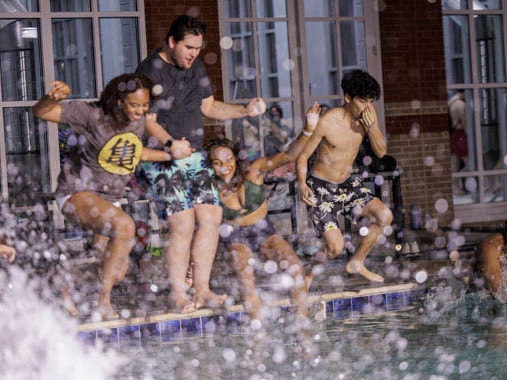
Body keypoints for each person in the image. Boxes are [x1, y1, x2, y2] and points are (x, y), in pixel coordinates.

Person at [135, 15, 266, 312]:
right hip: (161, 159)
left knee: (211, 217)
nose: (193, 54)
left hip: (193, 156)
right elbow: (147, 120)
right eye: (188, 47)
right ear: (172, 42)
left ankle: (203, 289)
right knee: (183, 223)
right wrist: (171, 144)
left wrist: (244, 110)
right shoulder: (150, 71)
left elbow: (209, 107)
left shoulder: (195, 66)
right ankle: (179, 293)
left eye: (197, 48)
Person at [32, 74, 172, 320]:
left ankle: (62, 281)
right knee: (125, 227)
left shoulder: (137, 122)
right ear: (119, 101)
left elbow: (134, 153)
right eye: (134, 105)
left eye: (144, 106)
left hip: (111, 198)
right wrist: (49, 98)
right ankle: (103, 302)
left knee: (115, 270)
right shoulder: (91, 115)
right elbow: (41, 112)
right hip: (77, 191)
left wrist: (171, 153)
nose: (139, 112)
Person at [204, 103, 320, 326]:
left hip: (264, 230)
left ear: (235, 159)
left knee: (295, 270)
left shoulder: (254, 172)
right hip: (235, 237)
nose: (225, 166)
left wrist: (308, 129)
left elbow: (288, 156)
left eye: (228, 160)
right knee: (247, 280)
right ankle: (258, 336)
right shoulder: (211, 189)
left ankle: (302, 328)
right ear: (211, 166)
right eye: (217, 163)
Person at [296, 70, 393, 287]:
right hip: (321, 187)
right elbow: (302, 156)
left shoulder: (368, 116)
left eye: (370, 101)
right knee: (335, 248)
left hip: (348, 184)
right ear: (347, 98)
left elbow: (381, 153)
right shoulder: (328, 122)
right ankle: (308, 273)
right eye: (362, 101)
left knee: (384, 216)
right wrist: (302, 185)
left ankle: (356, 263)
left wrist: (373, 127)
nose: (367, 107)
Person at [448, 90, 469, 195]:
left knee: (454, 163)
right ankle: (472, 185)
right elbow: (465, 123)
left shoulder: (451, 103)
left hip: (454, 134)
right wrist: (468, 135)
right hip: (461, 134)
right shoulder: (461, 105)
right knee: (468, 162)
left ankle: (456, 188)